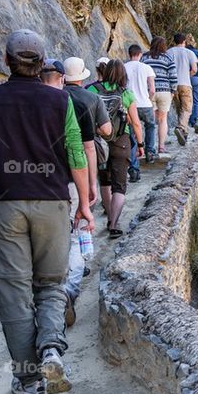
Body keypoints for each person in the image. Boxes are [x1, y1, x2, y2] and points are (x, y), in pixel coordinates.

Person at [0, 30, 93, 394]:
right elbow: (76, 152)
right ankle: (52, 350)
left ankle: (28, 380)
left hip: (5, 205)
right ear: (42, 64)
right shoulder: (60, 100)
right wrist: (84, 204)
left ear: (6, 61)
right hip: (52, 204)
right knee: (51, 285)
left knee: (14, 294)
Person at [60, 56, 113, 327]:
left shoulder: (54, 99)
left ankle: (51, 293)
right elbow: (97, 140)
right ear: (82, 76)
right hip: (77, 177)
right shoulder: (90, 99)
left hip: (51, 178)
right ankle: (69, 290)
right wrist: (91, 185)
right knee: (79, 233)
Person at [89, 59, 145, 238]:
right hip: (121, 141)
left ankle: (108, 217)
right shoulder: (126, 93)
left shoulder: (92, 90)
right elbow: (136, 123)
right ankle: (114, 224)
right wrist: (141, 145)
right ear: (123, 75)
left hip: (99, 142)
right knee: (119, 186)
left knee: (105, 181)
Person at [124, 44, 157, 174]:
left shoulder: (124, 67)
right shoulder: (147, 68)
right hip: (145, 103)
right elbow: (152, 89)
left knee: (131, 135)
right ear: (140, 54)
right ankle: (150, 151)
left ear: (129, 54)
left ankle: (133, 168)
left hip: (130, 105)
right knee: (150, 126)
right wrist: (149, 98)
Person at [142, 37, 176, 156]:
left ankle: (149, 146)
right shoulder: (168, 58)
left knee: (149, 121)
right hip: (164, 91)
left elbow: (142, 74)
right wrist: (173, 90)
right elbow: (173, 76)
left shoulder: (145, 58)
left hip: (148, 91)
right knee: (162, 119)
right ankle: (161, 147)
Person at [167, 33, 198, 146]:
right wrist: (187, 75)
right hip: (185, 83)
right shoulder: (189, 52)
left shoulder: (169, 52)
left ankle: (184, 133)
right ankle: (180, 128)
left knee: (179, 109)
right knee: (187, 109)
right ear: (184, 41)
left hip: (173, 84)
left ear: (174, 41)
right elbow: (194, 69)